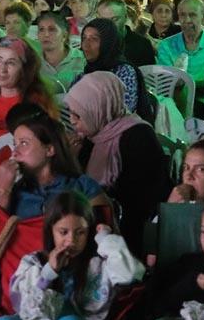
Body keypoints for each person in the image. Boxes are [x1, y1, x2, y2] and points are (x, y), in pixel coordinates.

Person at [0, 191, 143, 320]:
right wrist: (49, 273)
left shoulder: (99, 263)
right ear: (51, 231)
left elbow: (129, 274)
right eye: (63, 232)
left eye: (80, 232)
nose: (71, 241)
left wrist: (105, 239)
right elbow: (26, 312)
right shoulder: (35, 261)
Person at [66, 71, 165, 254]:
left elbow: (141, 202)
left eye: (77, 116)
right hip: (93, 223)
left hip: (127, 233)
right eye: (71, 114)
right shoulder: (92, 135)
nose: (72, 122)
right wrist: (71, 158)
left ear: (99, 108)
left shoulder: (138, 138)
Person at [0, 36, 56, 178]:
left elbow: (52, 151)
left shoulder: (39, 106)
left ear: (24, 69)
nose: (2, 69)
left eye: (11, 63)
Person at [76, 19, 152, 121]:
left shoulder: (124, 72)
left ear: (108, 43)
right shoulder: (83, 71)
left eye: (94, 39)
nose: (86, 44)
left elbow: (121, 114)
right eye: (84, 38)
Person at [156, 0, 204, 99]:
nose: (187, 20)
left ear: (203, 17)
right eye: (183, 15)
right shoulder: (166, 45)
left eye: (192, 15)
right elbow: (166, 83)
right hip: (174, 102)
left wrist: (183, 84)